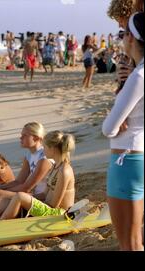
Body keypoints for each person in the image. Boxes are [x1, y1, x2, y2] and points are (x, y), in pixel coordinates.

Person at [102, 12, 144, 251]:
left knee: (129, 245)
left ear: (130, 37)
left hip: (125, 160)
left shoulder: (138, 76)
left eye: (122, 33)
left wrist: (115, 118)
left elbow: (109, 128)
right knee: (136, 240)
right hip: (139, 156)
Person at [0, 122, 54, 224]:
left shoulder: (44, 158)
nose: (20, 138)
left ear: (36, 138)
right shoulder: (29, 155)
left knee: (0, 193)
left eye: (24, 136)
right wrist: (0, 187)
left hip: (42, 197)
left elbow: (27, 187)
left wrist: (2, 190)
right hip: (33, 194)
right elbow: (19, 181)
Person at [0, 131, 76, 220]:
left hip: (60, 213)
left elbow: (54, 205)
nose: (43, 150)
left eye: (45, 147)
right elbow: (44, 194)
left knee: (20, 196)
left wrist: (26, 200)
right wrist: (25, 198)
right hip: (49, 208)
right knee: (14, 197)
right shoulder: (55, 167)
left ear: (52, 149)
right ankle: (1, 223)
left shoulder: (64, 171)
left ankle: (1, 225)